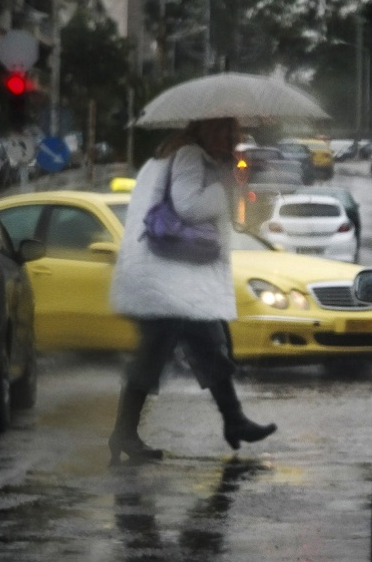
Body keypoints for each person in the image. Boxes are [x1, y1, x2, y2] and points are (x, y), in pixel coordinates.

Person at [107, 116, 276, 465]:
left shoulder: (168, 157)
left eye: (235, 134)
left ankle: (234, 421)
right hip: (170, 282)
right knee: (158, 355)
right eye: (226, 132)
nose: (231, 139)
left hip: (171, 279)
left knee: (208, 345)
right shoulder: (188, 156)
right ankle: (125, 433)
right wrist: (223, 187)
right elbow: (189, 207)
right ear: (206, 130)